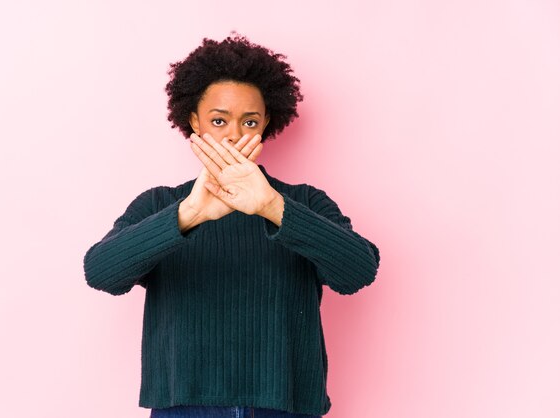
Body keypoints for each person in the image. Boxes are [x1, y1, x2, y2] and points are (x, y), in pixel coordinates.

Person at [83, 32, 380, 418]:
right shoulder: (160, 204)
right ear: (194, 120)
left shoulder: (305, 202)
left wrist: (273, 207)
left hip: (286, 407)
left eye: (249, 121)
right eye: (219, 120)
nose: (235, 134)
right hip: (184, 407)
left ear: (266, 123)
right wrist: (189, 215)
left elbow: (358, 271)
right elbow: (101, 272)